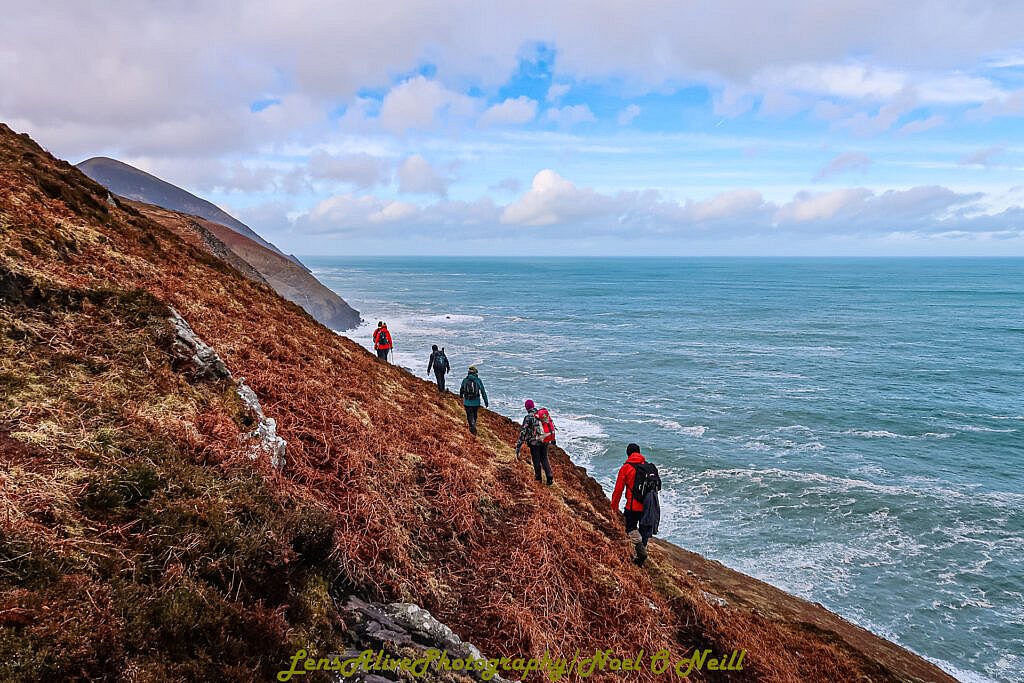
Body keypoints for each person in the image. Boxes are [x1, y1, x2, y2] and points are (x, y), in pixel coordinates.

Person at [611, 443, 662, 567]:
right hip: (649, 506)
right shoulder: (649, 467)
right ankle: (640, 557)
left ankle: (640, 551)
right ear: (639, 453)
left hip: (633, 506)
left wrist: (613, 507)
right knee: (644, 529)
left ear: (628, 454)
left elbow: (618, 490)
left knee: (630, 527)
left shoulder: (626, 468)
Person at [515, 400, 555, 485]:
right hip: (545, 440)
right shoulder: (541, 415)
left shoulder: (528, 417)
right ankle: (549, 476)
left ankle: (538, 479)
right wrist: (553, 439)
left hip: (534, 443)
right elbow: (549, 426)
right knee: (544, 458)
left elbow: (523, 432)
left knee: (536, 460)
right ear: (533, 406)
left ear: (527, 408)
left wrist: (518, 446)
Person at [458, 366, 488, 435]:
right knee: (474, 415)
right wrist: (486, 401)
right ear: (475, 373)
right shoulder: (478, 380)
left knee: (469, 415)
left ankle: (472, 427)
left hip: (467, 402)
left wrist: (460, 396)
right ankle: (473, 426)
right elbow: (483, 391)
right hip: (476, 402)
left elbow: (461, 389)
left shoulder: (465, 380)